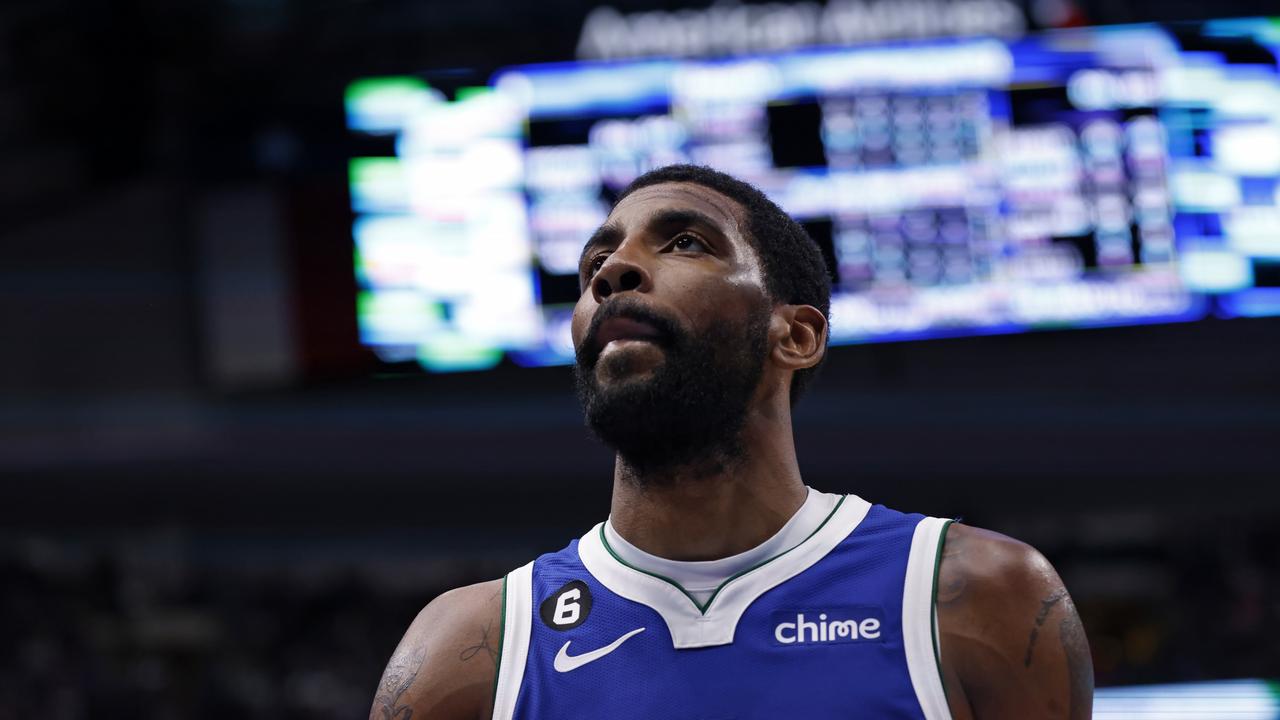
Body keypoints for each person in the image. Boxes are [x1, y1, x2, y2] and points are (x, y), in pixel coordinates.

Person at [369, 164, 1094, 720]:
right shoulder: (469, 651)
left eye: (686, 243)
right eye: (594, 268)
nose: (612, 274)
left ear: (797, 333)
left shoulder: (977, 598)